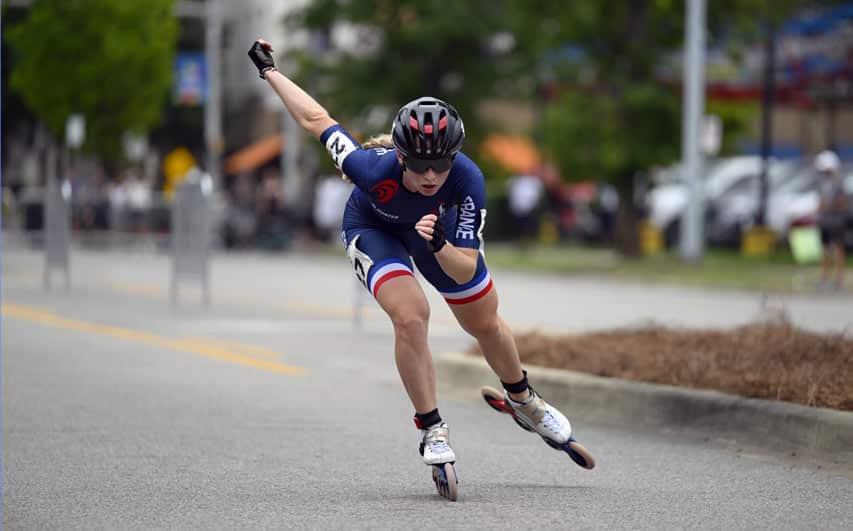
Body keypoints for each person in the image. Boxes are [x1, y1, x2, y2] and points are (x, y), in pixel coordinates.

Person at [248, 39, 574, 467]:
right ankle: (432, 427)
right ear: (401, 156)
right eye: (420, 165)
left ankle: (524, 400)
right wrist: (269, 70)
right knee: (411, 316)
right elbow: (316, 119)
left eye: (441, 164)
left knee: (484, 320)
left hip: (433, 232)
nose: (431, 175)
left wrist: (439, 242)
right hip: (373, 226)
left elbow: (464, 269)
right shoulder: (367, 168)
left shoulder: (467, 181)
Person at [815, 150, 848, 289]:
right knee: (826, 250)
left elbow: (843, 202)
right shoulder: (823, 183)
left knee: (838, 249)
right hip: (825, 221)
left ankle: (839, 280)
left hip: (836, 221)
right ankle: (825, 278)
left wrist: (829, 206)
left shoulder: (839, 183)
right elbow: (821, 202)